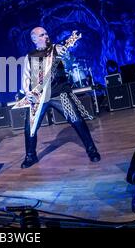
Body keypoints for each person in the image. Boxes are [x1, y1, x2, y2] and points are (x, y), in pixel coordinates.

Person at [20, 27, 101, 168]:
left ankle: (92, 150)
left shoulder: (57, 49)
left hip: (60, 93)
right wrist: (28, 92)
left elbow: (69, 65)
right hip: (39, 97)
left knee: (77, 120)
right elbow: (26, 77)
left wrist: (67, 57)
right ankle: (30, 157)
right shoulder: (29, 56)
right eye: (42, 34)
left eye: (46, 33)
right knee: (30, 127)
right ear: (34, 39)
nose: (46, 36)